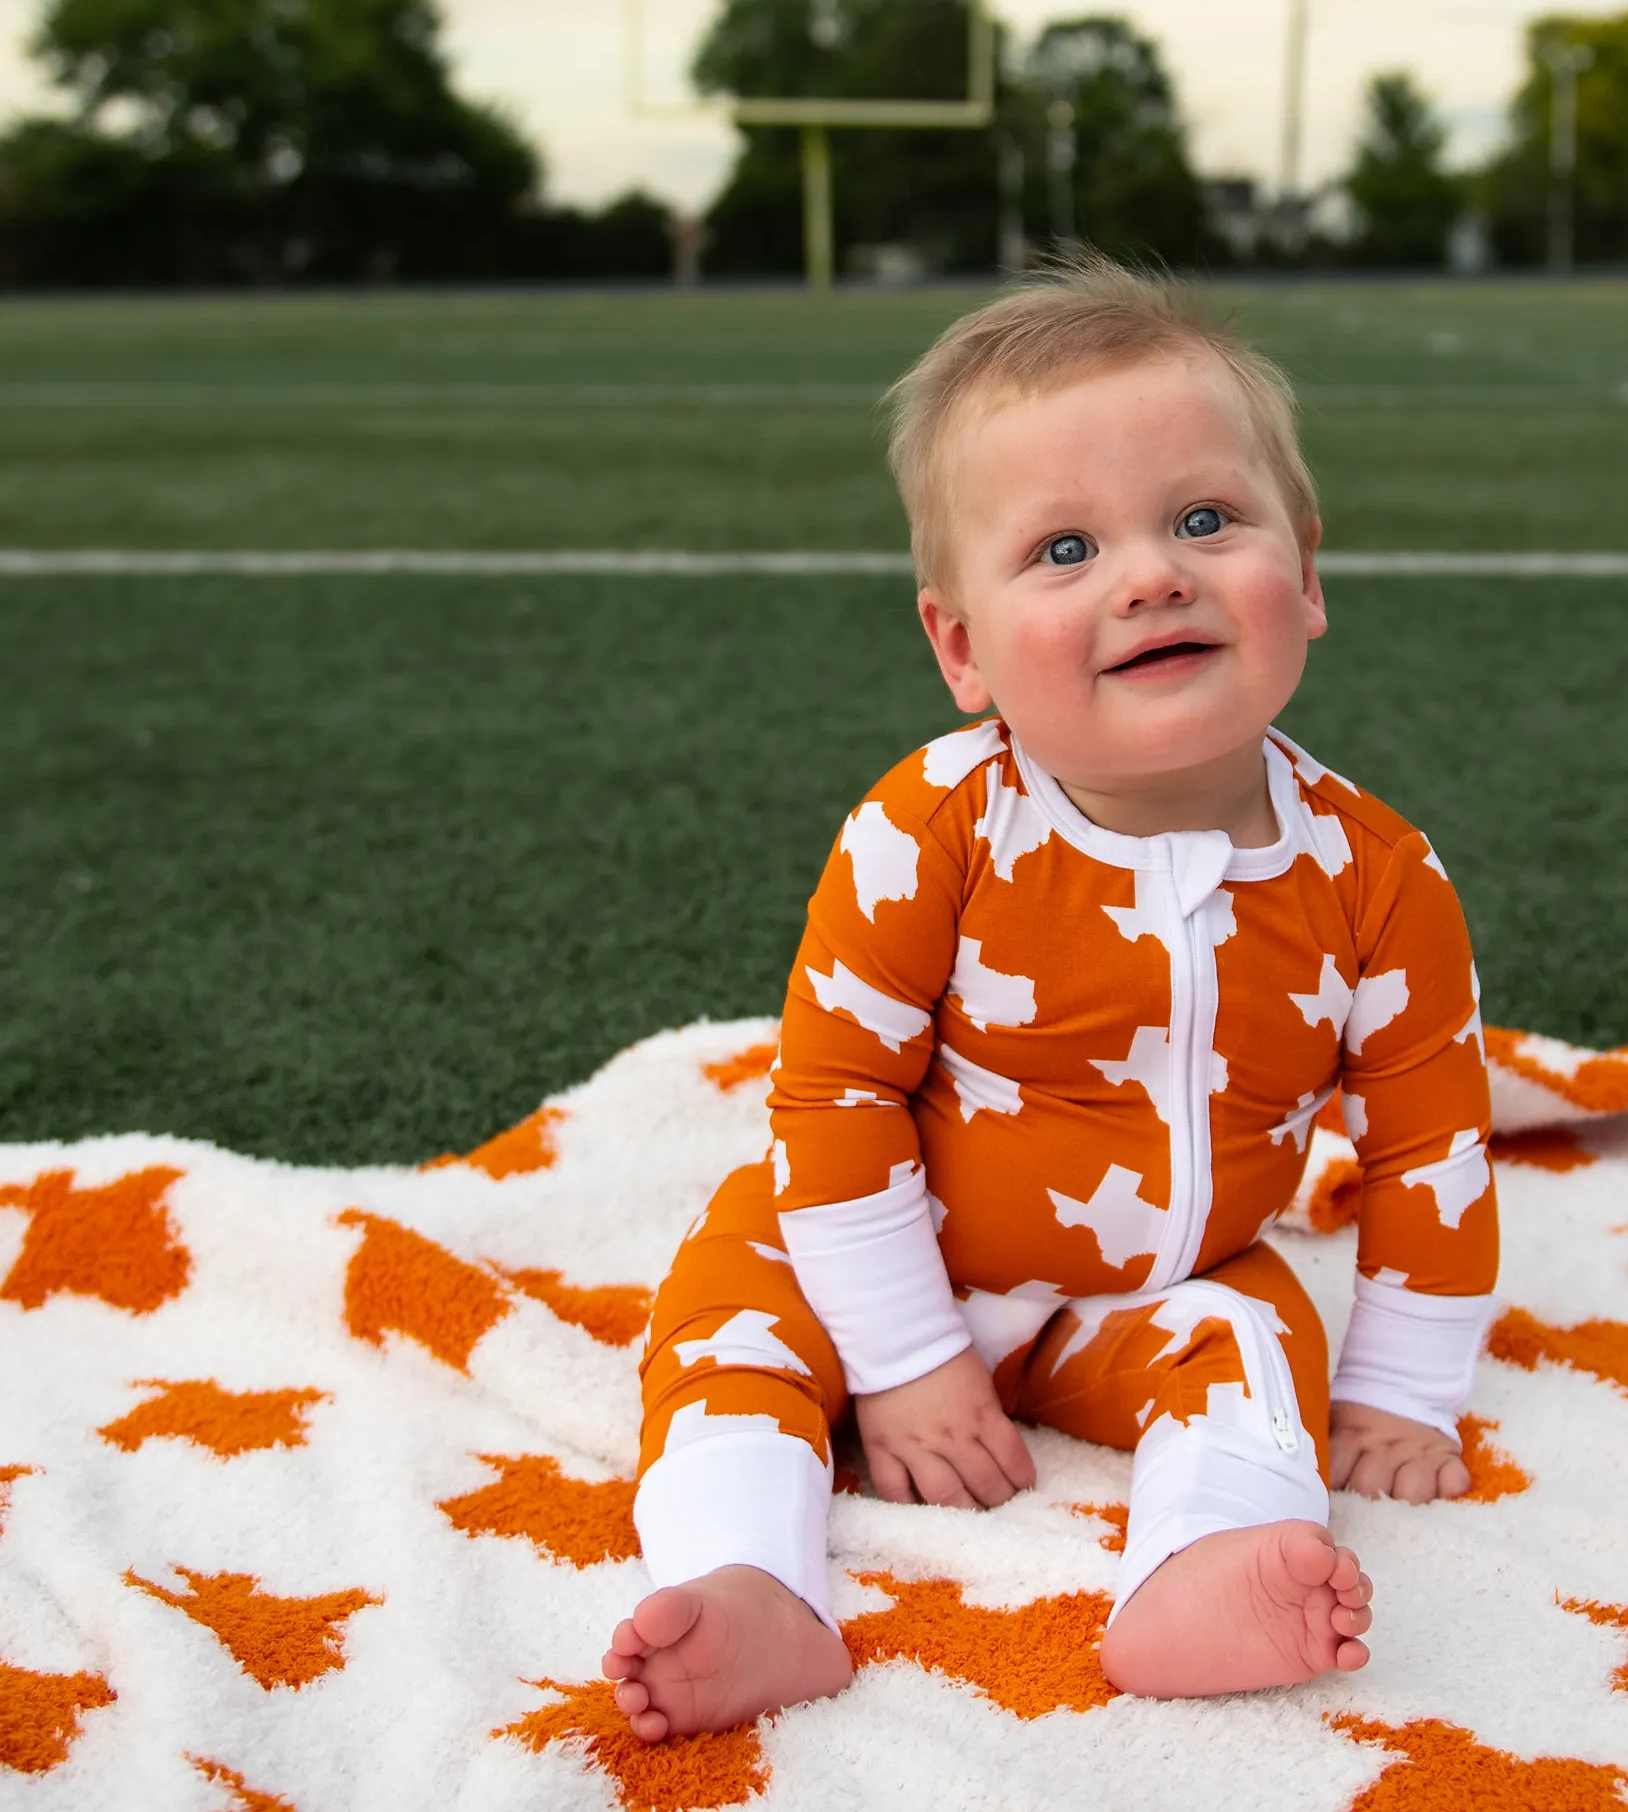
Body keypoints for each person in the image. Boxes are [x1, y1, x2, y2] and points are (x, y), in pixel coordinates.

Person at [603, 256, 1499, 1738]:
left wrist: (1404, 1391)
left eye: (1206, 521)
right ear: (960, 648)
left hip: (1163, 1285)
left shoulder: (1377, 872)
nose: (1152, 575)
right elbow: (834, 1095)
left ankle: (1205, 1568)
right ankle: (747, 1580)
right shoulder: (929, 829)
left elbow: (1430, 1143)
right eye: (1065, 549)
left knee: (1261, 1336)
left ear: (1311, 573)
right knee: (728, 1302)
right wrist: (900, 1359)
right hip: (894, 1245)